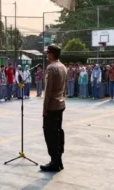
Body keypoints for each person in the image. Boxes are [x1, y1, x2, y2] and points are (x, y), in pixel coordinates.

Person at [41, 44, 67, 172]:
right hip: (61, 104)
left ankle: (54, 162)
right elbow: (64, 87)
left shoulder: (51, 68)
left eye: (47, 53)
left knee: (50, 133)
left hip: (52, 105)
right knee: (58, 132)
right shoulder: (63, 66)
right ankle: (59, 159)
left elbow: (48, 90)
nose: (47, 56)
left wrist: (45, 107)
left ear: (51, 54)